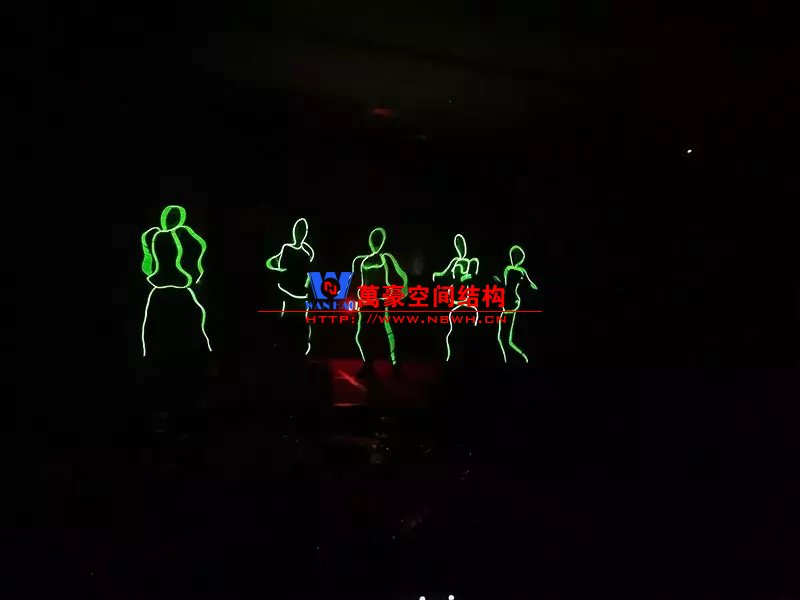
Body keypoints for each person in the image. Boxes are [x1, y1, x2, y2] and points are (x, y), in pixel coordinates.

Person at [140, 204, 212, 358]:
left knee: (156, 323)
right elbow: (199, 250)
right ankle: (197, 352)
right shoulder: (180, 233)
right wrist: (196, 276)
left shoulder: (152, 235)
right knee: (191, 321)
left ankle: (153, 354)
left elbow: (147, 267)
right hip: (180, 288)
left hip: (160, 288)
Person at [351, 227, 408, 378]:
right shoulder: (363, 261)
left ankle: (395, 364)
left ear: (383, 241)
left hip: (382, 303)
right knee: (362, 335)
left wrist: (401, 293)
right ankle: (368, 364)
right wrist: (358, 298)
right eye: (374, 240)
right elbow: (361, 282)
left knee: (387, 333)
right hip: (366, 303)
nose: (376, 243)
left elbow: (401, 276)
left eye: (378, 240)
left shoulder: (387, 258)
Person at [265, 217, 315, 355]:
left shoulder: (304, 253)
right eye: (299, 230)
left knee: (296, 321)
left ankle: (296, 347)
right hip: (290, 292)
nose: (300, 233)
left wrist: (306, 287)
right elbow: (279, 266)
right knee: (290, 320)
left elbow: (307, 274)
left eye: (303, 230)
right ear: (294, 231)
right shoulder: (288, 249)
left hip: (297, 293)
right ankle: (287, 347)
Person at [432, 233, 481, 361]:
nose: (459, 247)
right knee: (453, 330)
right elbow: (444, 273)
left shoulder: (472, 262)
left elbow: (473, 277)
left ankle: (464, 357)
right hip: (454, 299)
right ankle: (452, 357)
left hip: (466, 299)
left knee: (464, 330)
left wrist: (464, 277)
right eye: (457, 244)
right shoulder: (455, 261)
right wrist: (436, 275)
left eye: (461, 244)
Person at [495, 245, 538, 363]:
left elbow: (531, 284)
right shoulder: (509, 269)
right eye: (514, 255)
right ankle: (509, 357)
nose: (515, 257)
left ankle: (516, 357)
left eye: (517, 255)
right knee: (503, 335)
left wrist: (531, 287)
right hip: (510, 300)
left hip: (512, 301)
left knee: (504, 336)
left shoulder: (517, 270)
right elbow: (506, 285)